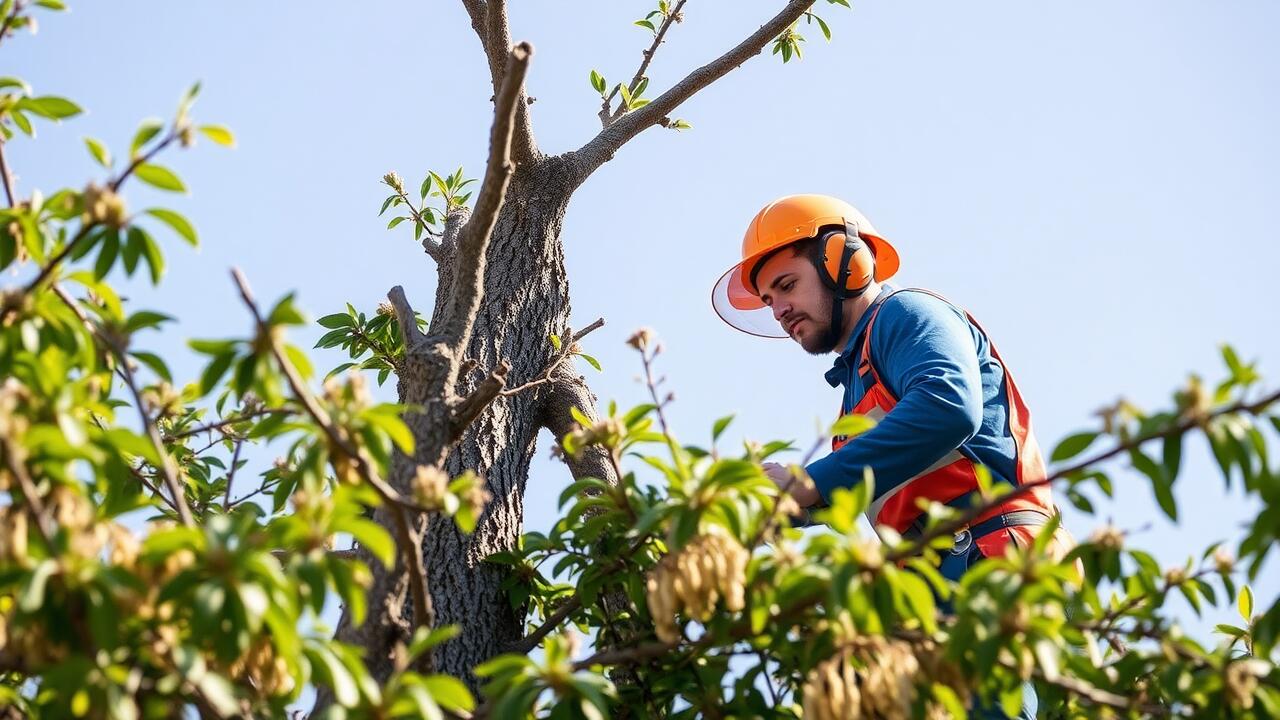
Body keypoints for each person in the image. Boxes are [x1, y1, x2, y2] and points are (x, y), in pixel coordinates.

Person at [711, 194, 1073, 719]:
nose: (780, 308)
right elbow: (859, 481)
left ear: (844, 262)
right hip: (939, 592)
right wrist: (776, 505)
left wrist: (811, 483)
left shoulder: (904, 314)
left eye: (786, 285)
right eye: (769, 300)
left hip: (994, 563)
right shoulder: (854, 397)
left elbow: (948, 406)